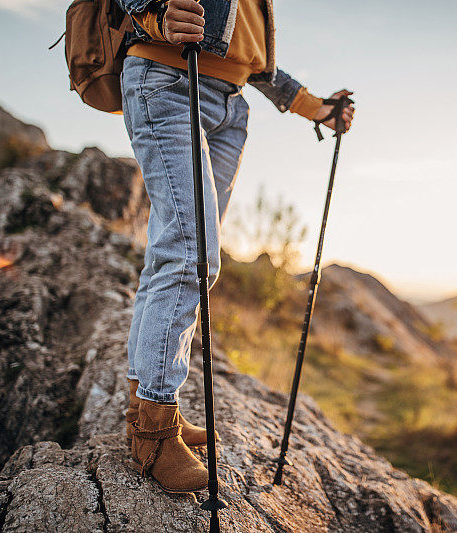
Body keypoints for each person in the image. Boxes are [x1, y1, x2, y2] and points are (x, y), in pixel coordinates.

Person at [116, 0, 355, 493]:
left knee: (174, 253)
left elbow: (253, 56)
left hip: (231, 104)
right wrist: (154, 16)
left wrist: (318, 108)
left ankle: (145, 409)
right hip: (168, 78)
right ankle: (155, 433)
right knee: (191, 253)